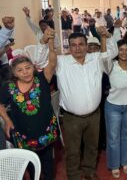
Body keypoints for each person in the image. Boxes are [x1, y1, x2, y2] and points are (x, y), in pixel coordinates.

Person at [35, 27, 118, 180]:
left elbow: (113, 52)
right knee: (73, 151)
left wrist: (108, 36)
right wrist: (43, 41)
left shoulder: (96, 59)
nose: (78, 48)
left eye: (81, 44)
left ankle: (89, 171)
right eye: (73, 45)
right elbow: (39, 61)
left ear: (87, 46)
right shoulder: (61, 62)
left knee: (92, 147)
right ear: (69, 47)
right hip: (72, 118)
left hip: (94, 115)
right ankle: (74, 176)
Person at [0, 27, 58, 180]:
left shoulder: (41, 79)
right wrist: (7, 120)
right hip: (23, 135)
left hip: (46, 133)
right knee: (31, 167)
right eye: (20, 70)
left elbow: (52, 62)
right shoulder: (8, 87)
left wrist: (50, 43)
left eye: (28, 68)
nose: (25, 72)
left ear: (33, 67)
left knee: (48, 164)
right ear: (14, 73)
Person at [104, 12, 127, 178]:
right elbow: (105, 53)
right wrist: (114, 31)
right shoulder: (110, 65)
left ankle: (124, 160)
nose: (124, 52)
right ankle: (114, 164)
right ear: (117, 51)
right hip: (113, 106)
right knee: (113, 137)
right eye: (121, 49)